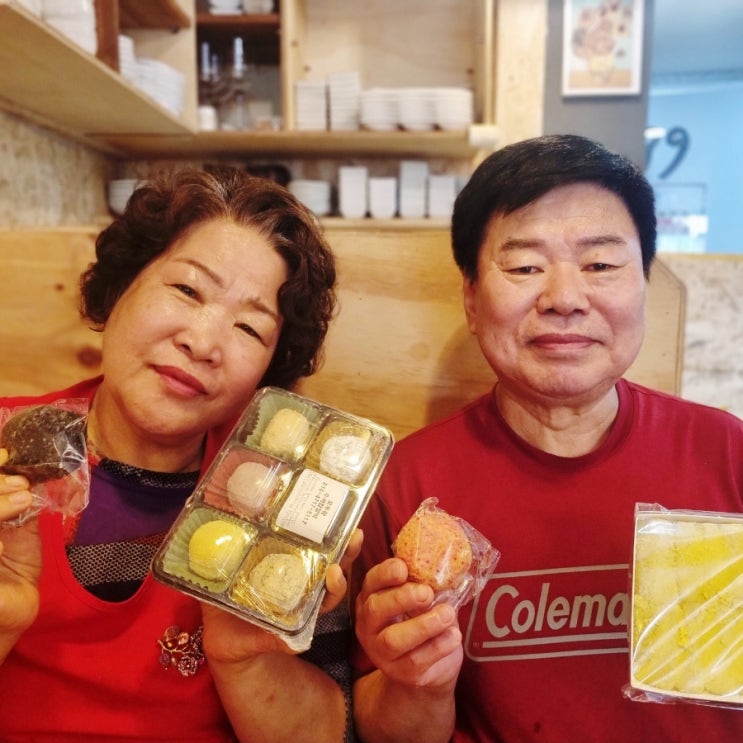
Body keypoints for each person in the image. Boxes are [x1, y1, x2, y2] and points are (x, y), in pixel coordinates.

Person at [351, 134, 743, 742]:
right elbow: (383, 730)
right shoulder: (407, 482)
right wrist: (413, 684)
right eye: (525, 267)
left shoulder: (726, 452)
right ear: (471, 299)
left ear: (644, 284)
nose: (564, 299)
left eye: (601, 265)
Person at [0, 167, 359, 742]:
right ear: (120, 287)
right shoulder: (8, 450)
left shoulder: (285, 503)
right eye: (187, 290)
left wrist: (247, 661)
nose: (203, 342)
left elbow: (331, 733)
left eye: (249, 328)